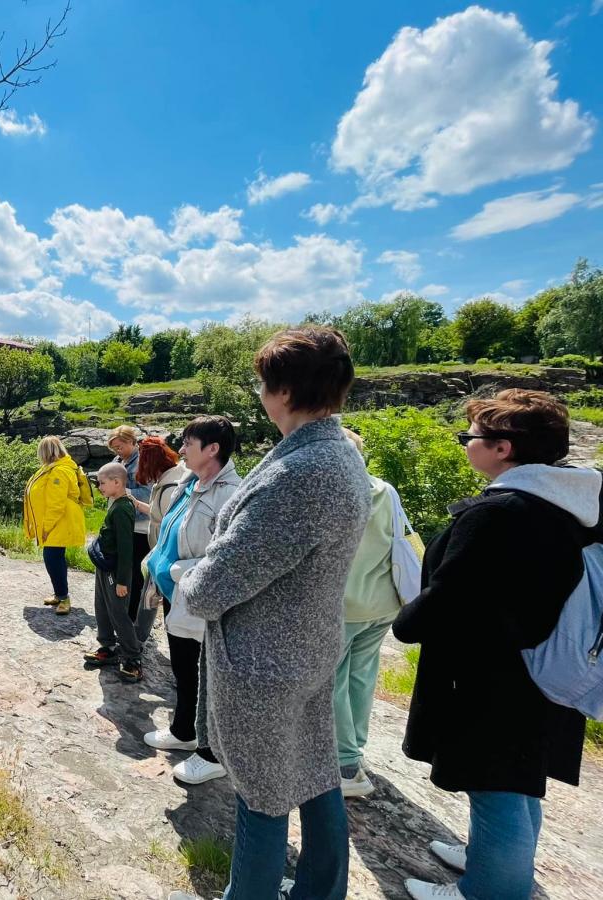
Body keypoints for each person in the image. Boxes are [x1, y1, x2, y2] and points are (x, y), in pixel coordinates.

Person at [179, 327, 370, 900]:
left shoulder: (299, 475)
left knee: (261, 796)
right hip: (306, 643)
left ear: (284, 391)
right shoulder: (336, 453)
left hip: (265, 660)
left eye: (263, 381)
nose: (260, 391)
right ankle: (319, 890)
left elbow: (212, 589)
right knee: (314, 774)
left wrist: (182, 573)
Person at [394, 389, 601, 900]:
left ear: (503, 448)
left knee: (497, 786)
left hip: (496, 677)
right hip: (551, 664)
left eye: (471, 437)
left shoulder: (503, 511)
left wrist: (405, 622)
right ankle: (493, 858)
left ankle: (489, 889)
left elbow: (452, 595)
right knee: (522, 779)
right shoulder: (572, 501)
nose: (466, 444)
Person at [140, 417, 241, 788]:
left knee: (209, 678)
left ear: (212, 449)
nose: (181, 450)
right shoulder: (189, 483)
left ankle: (213, 755)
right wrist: (156, 565)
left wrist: (179, 569)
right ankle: (185, 731)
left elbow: (230, 558)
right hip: (176, 596)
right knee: (183, 668)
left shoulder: (231, 494)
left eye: (188, 443)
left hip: (201, 600)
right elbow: (169, 532)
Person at [333, 428, 408, 799]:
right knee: (361, 676)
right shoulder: (385, 489)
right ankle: (354, 746)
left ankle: (346, 764)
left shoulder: (337, 493)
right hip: (382, 603)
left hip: (344, 605)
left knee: (330, 681)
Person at [83, 462, 143, 682]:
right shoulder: (115, 502)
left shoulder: (122, 508)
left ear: (117, 482)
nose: (99, 487)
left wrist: (122, 581)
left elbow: (127, 548)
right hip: (105, 566)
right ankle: (107, 647)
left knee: (118, 611)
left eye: (102, 483)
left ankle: (132, 657)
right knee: (102, 606)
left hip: (115, 570)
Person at [22, 436, 89, 616]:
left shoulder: (59, 471)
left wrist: (46, 527)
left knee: (53, 557)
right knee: (54, 557)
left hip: (59, 522)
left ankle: (63, 597)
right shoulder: (55, 468)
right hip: (59, 522)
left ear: (45, 452)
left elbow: (56, 504)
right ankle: (60, 595)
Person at [108, 425, 151, 620]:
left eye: (121, 446)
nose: (118, 451)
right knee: (124, 566)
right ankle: (127, 608)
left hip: (140, 526)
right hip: (124, 523)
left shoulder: (142, 463)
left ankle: (134, 613)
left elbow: (148, 495)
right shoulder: (118, 461)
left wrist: (121, 492)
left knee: (132, 567)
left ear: (133, 442)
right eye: (115, 448)